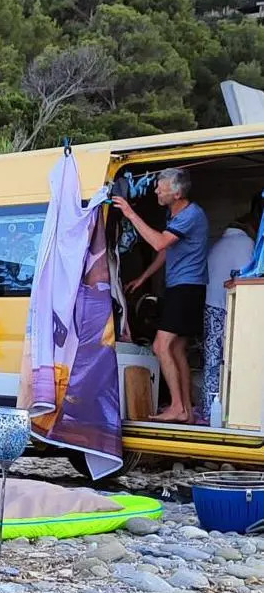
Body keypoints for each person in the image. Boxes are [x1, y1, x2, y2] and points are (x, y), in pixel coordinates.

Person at [112, 167, 208, 424]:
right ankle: (186, 410)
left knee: (160, 346)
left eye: (160, 187)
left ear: (176, 192)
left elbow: (158, 243)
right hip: (184, 288)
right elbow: (166, 250)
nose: (155, 190)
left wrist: (130, 214)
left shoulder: (190, 214)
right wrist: (144, 277)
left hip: (186, 288)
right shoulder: (175, 215)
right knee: (176, 348)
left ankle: (177, 407)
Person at [201, 199, 261, 421]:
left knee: (212, 361)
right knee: (236, 360)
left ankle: (209, 410)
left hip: (210, 306)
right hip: (232, 310)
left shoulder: (216, 245)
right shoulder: (246, 245)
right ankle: (235, 413)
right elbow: (250, 278)